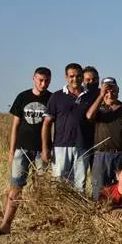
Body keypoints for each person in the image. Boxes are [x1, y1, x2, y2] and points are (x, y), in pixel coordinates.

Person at [0, 67, 52, 236]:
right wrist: (12, 151)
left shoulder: (51, 98)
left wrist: (48, 149)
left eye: (47, 80)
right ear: (33, 78)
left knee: (44, 188)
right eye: (40, 80)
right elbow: (15, 126)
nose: (43, 83)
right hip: (22, 149)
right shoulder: (23, 97)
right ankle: (6, 225)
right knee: (16, 187)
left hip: (42, 151)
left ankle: (44, 223)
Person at [42, 63, 100, 194]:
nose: (75, 79)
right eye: (71, 76)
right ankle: (58, 212)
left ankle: (77, 213)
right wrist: (45, 147)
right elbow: (47, 123)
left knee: (80, 184)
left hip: (82, 146)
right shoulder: (56, 96)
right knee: (58, 183)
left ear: (82, 77)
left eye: (78, 76)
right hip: (60, 146)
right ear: (66, 77)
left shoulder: (90, 97)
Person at [85, 77, 122, 201]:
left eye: (113, 90)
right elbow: (89, 116)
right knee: (99, 187)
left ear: (118, 90)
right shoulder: (98, 108)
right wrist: (101, 96)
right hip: (102, 155)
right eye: (107, 90)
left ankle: (120, 211)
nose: (110, 93)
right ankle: (99, 213)